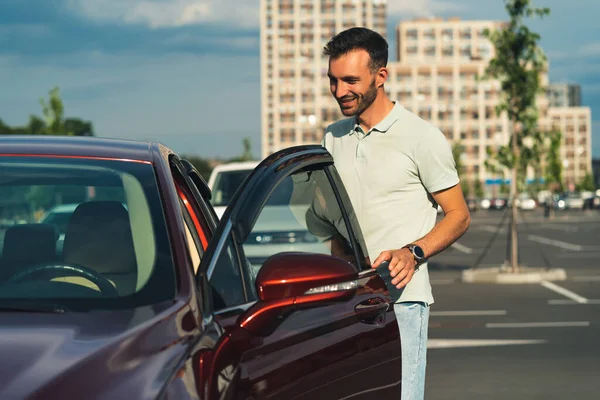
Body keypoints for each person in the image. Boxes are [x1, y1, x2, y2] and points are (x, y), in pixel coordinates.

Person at [320, 27, 471, 399]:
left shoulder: (422, 137)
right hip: (346, 299)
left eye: (350, 80)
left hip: (400, 302)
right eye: (333, 81)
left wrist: (413, 252)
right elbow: (329, 219)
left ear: (380, 76)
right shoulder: (331, 137)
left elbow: (459, 215)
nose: (340, 92)